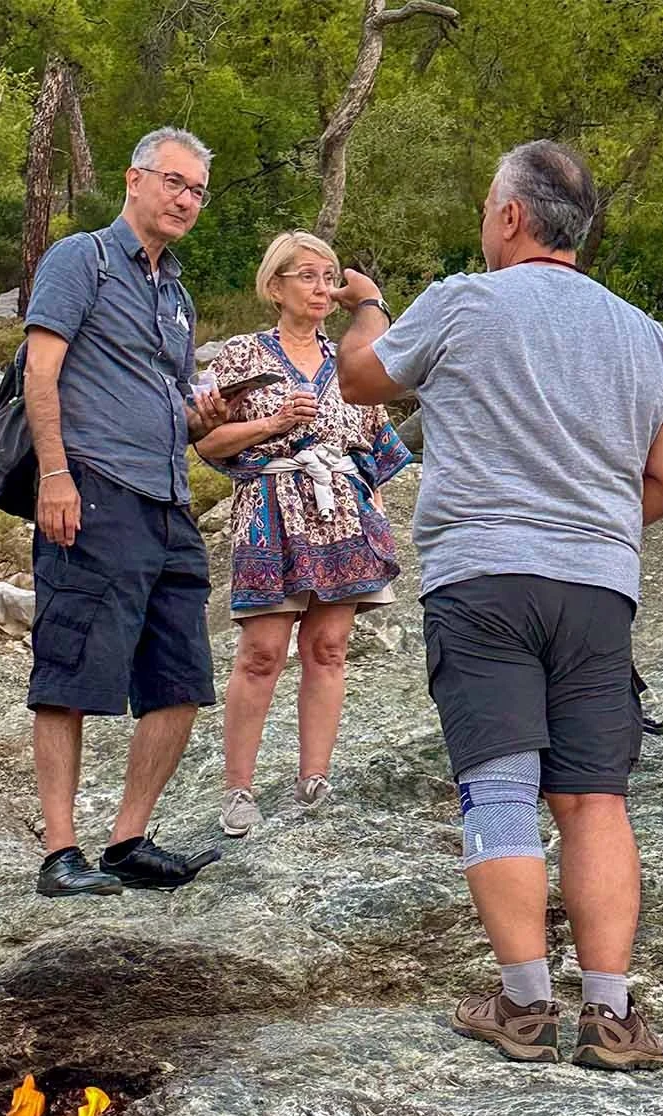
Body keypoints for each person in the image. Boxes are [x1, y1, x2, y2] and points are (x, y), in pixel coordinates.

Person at [334, 140, 663, 1071]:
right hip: (597, 590)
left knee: (498, 783)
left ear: (509, 217)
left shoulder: (465, 300)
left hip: (483, 575)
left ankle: (525, 1003)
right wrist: (606, 528)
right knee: (594, 798)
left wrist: (369, 304)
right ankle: (611, 1016)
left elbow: (359, 378)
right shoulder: (644, 333)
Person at [22, 126, 237, 897]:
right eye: (176, 183)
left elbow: (177, 411)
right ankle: (59, 853)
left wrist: (206, 418)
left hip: (169, 500)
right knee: (70, 669)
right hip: (94, 487)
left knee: (180, 678)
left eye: (198, 192)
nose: (187, 201)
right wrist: (55, 474)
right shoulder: (82, 258)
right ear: (134, 179)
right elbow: (40, 372)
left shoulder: (174, 293)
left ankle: (127, 841)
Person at [195, 231, 412, 836]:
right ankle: (238, 789)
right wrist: (272, 423)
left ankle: (314, 778)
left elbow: (382, 448)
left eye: (329, 277)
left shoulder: (351, 359)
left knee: (328, 649)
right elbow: (206, 442)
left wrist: (364, 495)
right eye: (308, 276)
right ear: (275, 286)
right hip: (269, 509)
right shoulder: (243, 355)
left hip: (341, 513)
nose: (322, 289)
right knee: (262, 651)